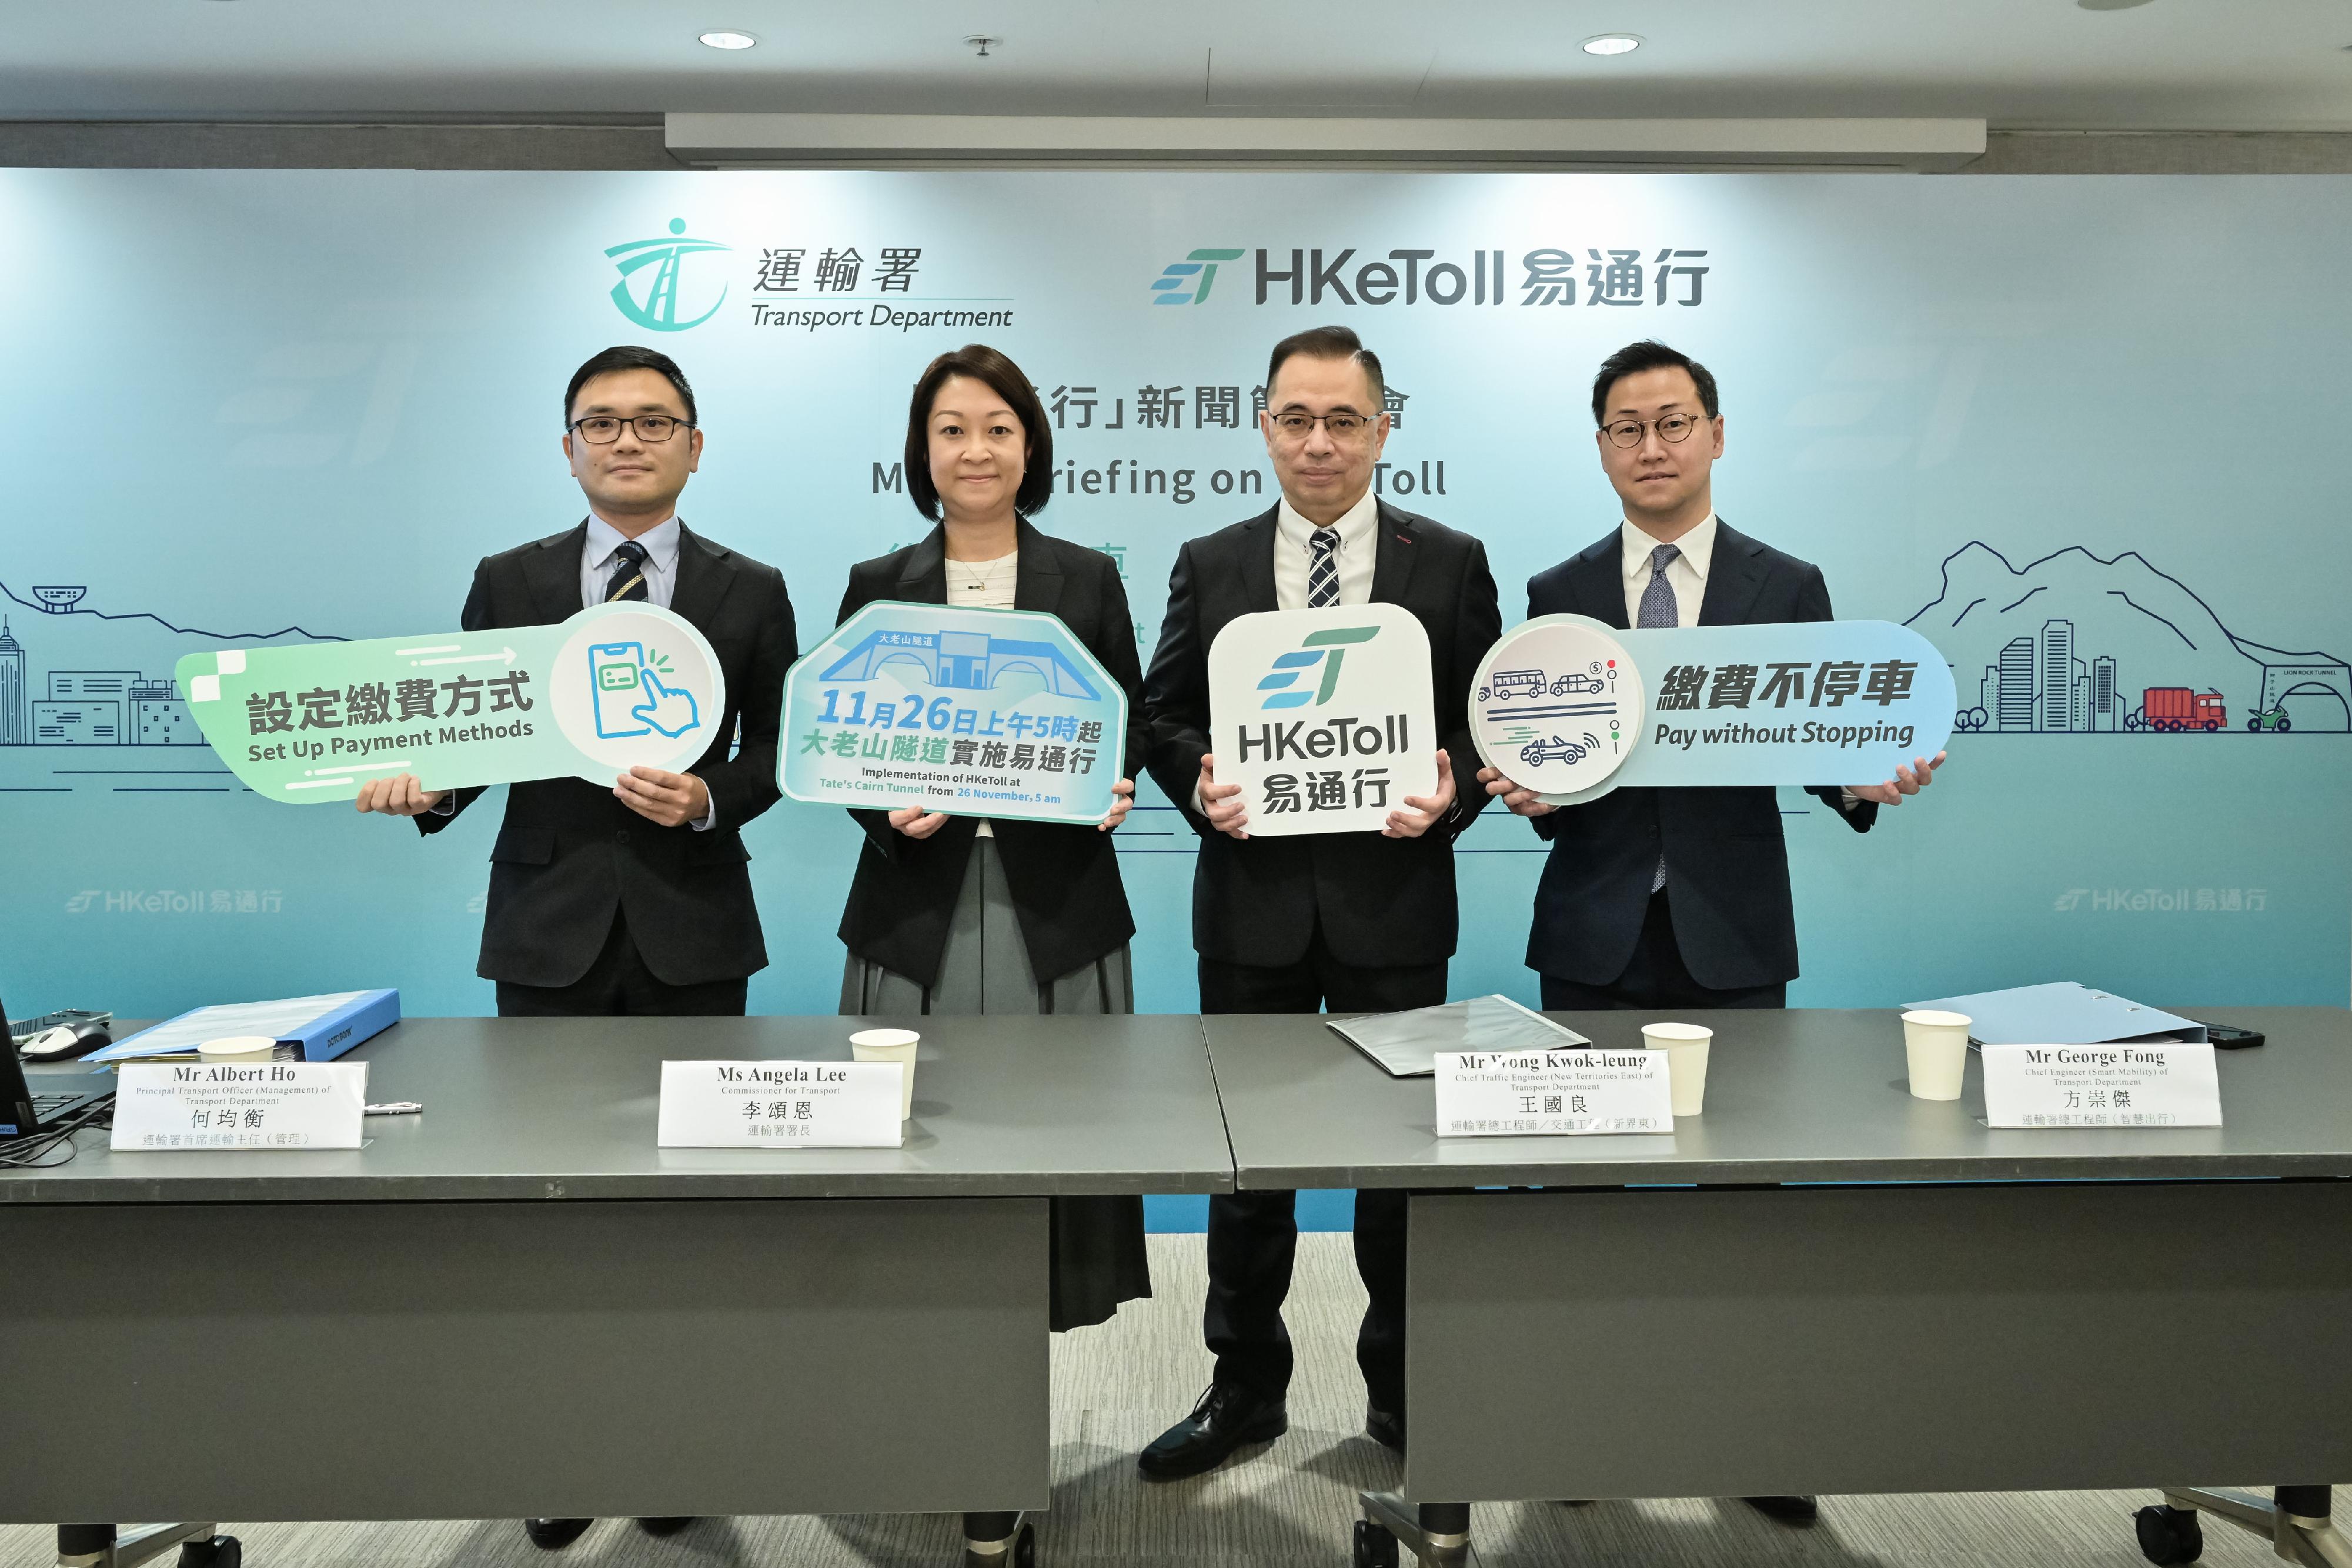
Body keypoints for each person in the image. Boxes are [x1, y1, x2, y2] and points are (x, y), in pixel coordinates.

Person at [1477, 337, 1943, 1526]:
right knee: (1577, 1195)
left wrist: (1867, 782)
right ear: (1599, 449)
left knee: (1741, 1193)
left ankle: (1749, 1430)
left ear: (1716, 434)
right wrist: (1531, 790)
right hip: (1590, 926)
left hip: (1730, 929)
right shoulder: (1557, 591)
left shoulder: (1783, 584)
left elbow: (1822, 737)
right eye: (1626, 427)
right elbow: (1552, 767)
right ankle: (1578, 1425)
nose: (1651, 446)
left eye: (1671, 422)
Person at [354, 343, 796, 1551]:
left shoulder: (751, 586)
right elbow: (468, 732)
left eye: (653, 422)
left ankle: (670, 1443)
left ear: (694, 445)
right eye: (600, 423)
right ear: (567, 447)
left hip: (694, 928)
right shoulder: (510, 577)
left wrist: (711, 798)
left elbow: (779, 746)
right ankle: (559, 1444)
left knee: (688, 1208)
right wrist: (422, 792)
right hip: (545, 928)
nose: (626, 440)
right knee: (549, 1207)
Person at [1137, 325, 1500, 1479]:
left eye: (1344, 418)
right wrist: (1200, 781)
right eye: (1296, 417)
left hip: (1394, 905)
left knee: (1396, 1172)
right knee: (1251, 1171)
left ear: (1383, 428)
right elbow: (1161, 713)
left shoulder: (1448, 559)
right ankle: (1242, 1387)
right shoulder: (1212, 557)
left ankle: (1402, 1392)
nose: (1319, 441)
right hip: (1249, 909)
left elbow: (1484, 726)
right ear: (1263, 425)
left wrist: (1446, 797)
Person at [836, 342, 1151, 1332]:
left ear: (1031, 447)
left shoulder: (1089, 578)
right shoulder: (877, 582)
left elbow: (1126, 717)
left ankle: (1024, 1391)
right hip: (914, 904)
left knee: (1054, 1133)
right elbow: (836, 737)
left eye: (999, 429)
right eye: (952, 431)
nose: (977, 450)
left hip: (1055, 904)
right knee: (917, 1135)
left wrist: (1117, 781)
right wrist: (879, 804)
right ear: (921, 452)